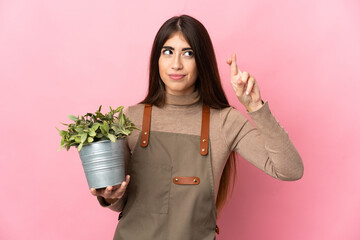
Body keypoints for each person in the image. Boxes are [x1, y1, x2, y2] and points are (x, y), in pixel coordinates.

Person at [90, 14, 304, 240]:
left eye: (188, 53)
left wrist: (256, 107)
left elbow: (290, 170)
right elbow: (122, 203)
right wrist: (110, 196)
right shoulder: (130, 119)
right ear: (157, 59)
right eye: (168, 51)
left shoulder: (225, 121)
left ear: (202, 61)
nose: (176, 64)